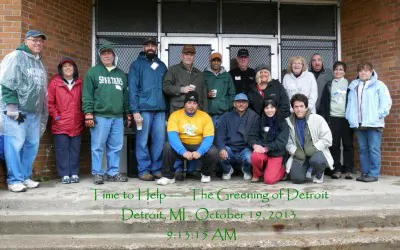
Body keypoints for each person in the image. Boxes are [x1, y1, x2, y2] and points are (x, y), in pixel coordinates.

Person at [0, 30, 49, 192]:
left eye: (41, 41)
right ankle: (14, 180)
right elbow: (7, 83)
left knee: (31, 145)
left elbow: (41, 89)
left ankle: (25, 176)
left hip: (34, 113)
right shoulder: (16, 57)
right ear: (26, 41)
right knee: (15, 144)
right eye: (34, 40)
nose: (38, 43)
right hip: (17, 110)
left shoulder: (38, 62)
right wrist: (12, 109)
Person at [82, 44, 130, 185]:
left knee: (115, 147)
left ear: (114, 56)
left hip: (117, 116)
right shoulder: (93, 72)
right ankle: (97, 173)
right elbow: (87, 95)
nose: (107, 56)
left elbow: (125, 96)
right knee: (98, 146)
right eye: (104, 54)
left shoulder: (121, 74)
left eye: (109, 53)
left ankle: (113, 172)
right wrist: (88, 113)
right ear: (100, 56)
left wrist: (127, 114)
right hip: (100, 116)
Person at [157, 91, 219, 185]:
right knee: (167, 146)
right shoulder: (175, 115)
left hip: (198, 145)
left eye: (194, 103)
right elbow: (172, 136)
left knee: (213, 151)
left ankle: (206, 174)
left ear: (198, 105)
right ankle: (168, 176)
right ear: (184, 104)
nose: (191, 106)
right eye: (189, 103)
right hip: (182, 144)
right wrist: (183, 151)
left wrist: (200, 151)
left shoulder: (205, 117)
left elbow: (209, 137)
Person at [128, 38, 167, 181]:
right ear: (143, 47)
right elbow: (132, 89)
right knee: (142, 141)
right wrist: (135, 110)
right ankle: (143, 170)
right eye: (147, 45)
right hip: (143, 109)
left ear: (156, 48)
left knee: (159, 141)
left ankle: (156, 169)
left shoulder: (162, 65)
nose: (150, 48)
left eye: (153, 45)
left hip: (160, 110)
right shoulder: (136, 65)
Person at [346, 62, 392, 182]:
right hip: (359, 123)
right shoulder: (354, 85)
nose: (363, 73)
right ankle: (365, 172)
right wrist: (349, 116)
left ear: (371, 71)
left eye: (366, 70)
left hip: (374, 123)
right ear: (358, 73)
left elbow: (386, 102)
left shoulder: (379, 85)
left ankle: (374, 173)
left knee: (373, 149)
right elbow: (350, 104)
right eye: (360, 70)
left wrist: (378, 116)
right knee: (362, 149)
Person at [48, 58, 84, 184]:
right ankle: (64, 174)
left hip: (76, 122)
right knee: (62, 150)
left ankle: (74, 173)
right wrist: (56, 117)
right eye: (65, 66)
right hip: (60, 123)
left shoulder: (79, 83)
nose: (68, 68)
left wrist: (81, 116)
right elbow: (50, 102)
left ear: (74, 69)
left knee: (75, 149)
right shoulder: (55, 83)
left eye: (70, 66)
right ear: (61, 69)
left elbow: (83, 102)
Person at [285, 94, 333, 184]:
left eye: (301, 106)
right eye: (296, 107)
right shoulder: (288, 122)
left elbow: (327, 138)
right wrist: (294, 151)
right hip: (299, 155)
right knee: (297, 179)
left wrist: (315, 147)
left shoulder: (317, 119)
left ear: (306, 107)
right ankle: (308, 170)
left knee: (317, 161)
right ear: (293, 108)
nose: (299, 109)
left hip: (316, 153)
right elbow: (287, 141)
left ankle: (318, 173)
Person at [318, 61, 354, 179]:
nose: (338, 72)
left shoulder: (350, 85)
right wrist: (324, 119)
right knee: (335, 145)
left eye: (341, 69)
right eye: (336, 69)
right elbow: (323, 104)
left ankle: (348, 169)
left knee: (348, 145)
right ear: (333, 71)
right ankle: (337, 169)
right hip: (333, 119)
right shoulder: (329, 85)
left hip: (347, 119)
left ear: (344, 71)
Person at [216, 93, 258, 180]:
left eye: (244, 102)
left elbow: (256, 135)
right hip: (230, 148)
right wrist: (222, 148)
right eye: (238, 102)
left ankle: (246, 170)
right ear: (234, 104)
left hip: (245, 148)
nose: (241, 104)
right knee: (220, 153)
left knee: (250, 158)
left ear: (247, 104)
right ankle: (228, 170)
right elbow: (220, 135)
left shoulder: (253, 116)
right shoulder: (226, 117)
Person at [248, 99, 289, 184]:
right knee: (255, 156)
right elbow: (252, 136)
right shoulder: (259, 120)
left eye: (272, 107)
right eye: (266, 108)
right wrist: (255, 145)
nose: (269, 110)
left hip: (275, 153)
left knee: (269, 180)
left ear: (276, 108)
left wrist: (267, 148)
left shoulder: (282, 122)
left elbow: (281, 142)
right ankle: (257, 175)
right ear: (263, 109)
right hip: (262, 152)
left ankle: (282, 170)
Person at [163, 44, 208, 113]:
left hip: (197, 113)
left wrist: (205, 113)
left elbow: (204, 95)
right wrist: (182, 89)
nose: (189, 57)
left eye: (191, 55)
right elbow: (166, 88)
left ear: (194, 57)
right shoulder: (173, 70)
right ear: (182, 56)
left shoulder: (199, 73)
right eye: (186, 54)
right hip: (178, 111)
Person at [204, 52, 236, 128]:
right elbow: (199, 91)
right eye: (214, 60)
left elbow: (232, 93)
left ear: (221, 62)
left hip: (224, 114)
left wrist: (228, 106)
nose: (216, 62)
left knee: (223, 136)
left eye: (218, 61)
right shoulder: (204, 74)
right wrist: (206, 94)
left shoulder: (227, 75)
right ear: (210, 61)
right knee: (210, 136)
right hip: (208, 113)